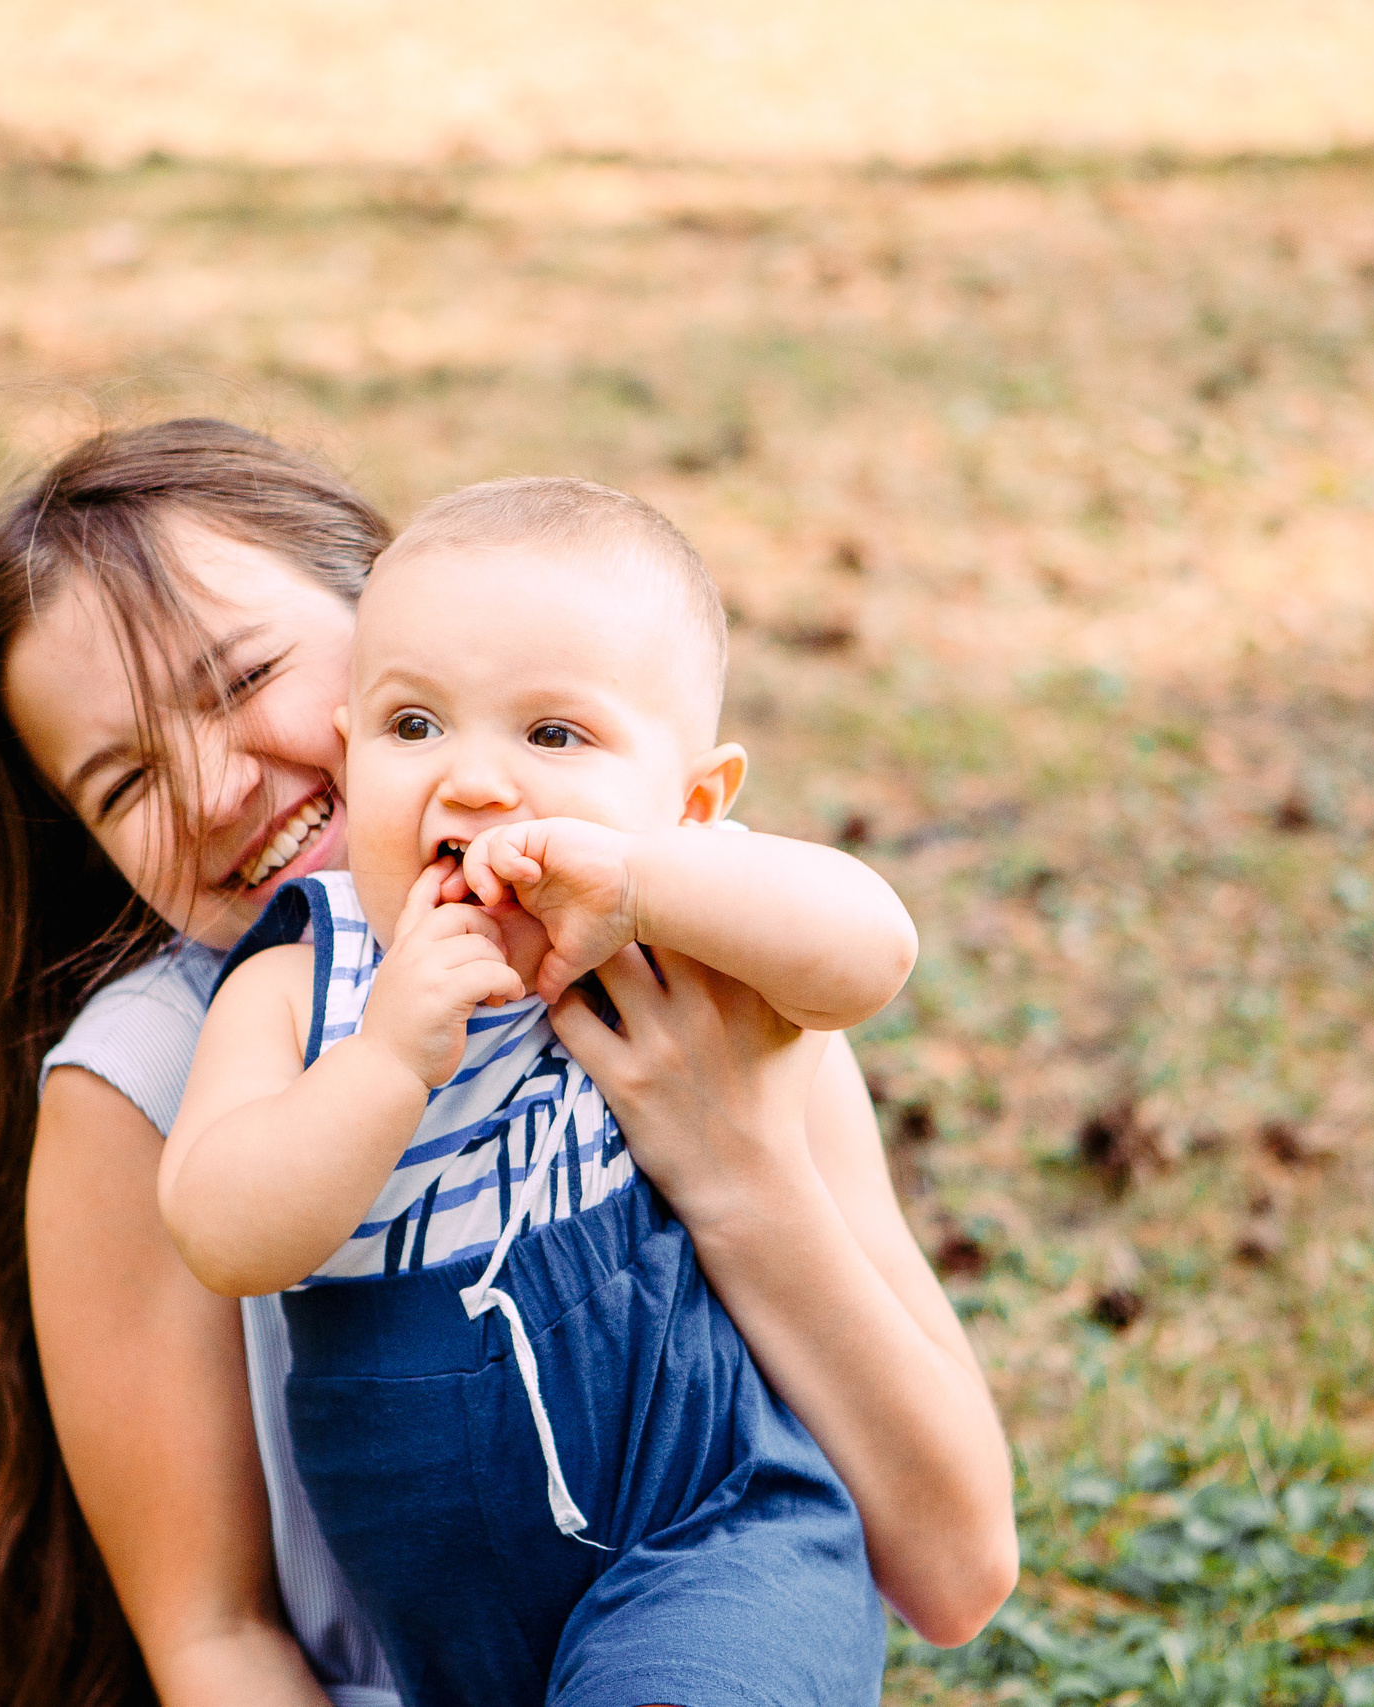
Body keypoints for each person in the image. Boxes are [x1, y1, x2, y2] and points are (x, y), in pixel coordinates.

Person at [0, 420, 1017, 1707]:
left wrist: (736, 1165)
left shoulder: (696, 936)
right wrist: (386, 1053)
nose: (213, 790)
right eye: (124, 786)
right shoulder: (168, 1063)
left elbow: (956, 1572)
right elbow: (213, 1637)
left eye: (242, 678)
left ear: (383, 603)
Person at [162, 476, 971, 1706]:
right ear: (350, 755)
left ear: (691, 803)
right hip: (453, 1629)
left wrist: (645, 886)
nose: (475, 782)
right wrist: (385, 1061)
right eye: (414, 725)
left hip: (709, 1534)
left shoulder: (681, 925)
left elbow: (871, 951)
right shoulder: (300, 987)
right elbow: (221, 1230)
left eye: (552, 736)